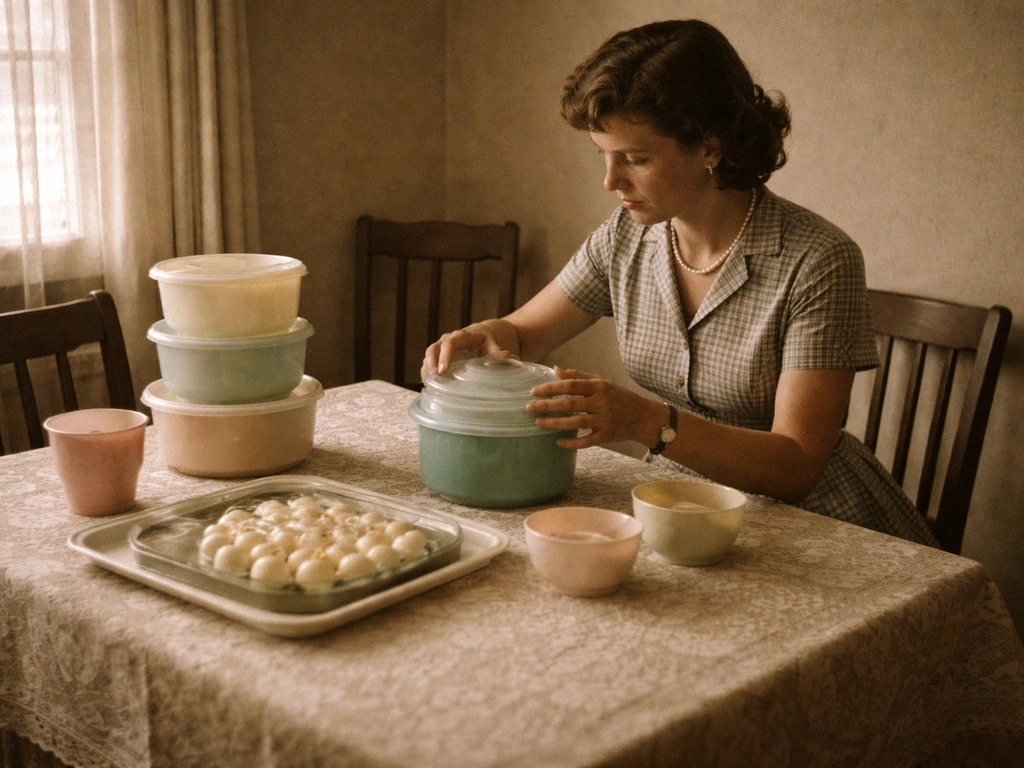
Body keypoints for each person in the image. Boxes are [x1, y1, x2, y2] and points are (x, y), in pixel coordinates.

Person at [422, 19, 937, 546]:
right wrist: (488, 335)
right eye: (603, 155)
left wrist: (645, 421)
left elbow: (797, 466)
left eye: (635, 158)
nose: (611, 180)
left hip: (823, 525)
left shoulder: (819, 260)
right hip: (682, 508)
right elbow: (523, 334)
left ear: (710, 146)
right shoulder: (624, 238)